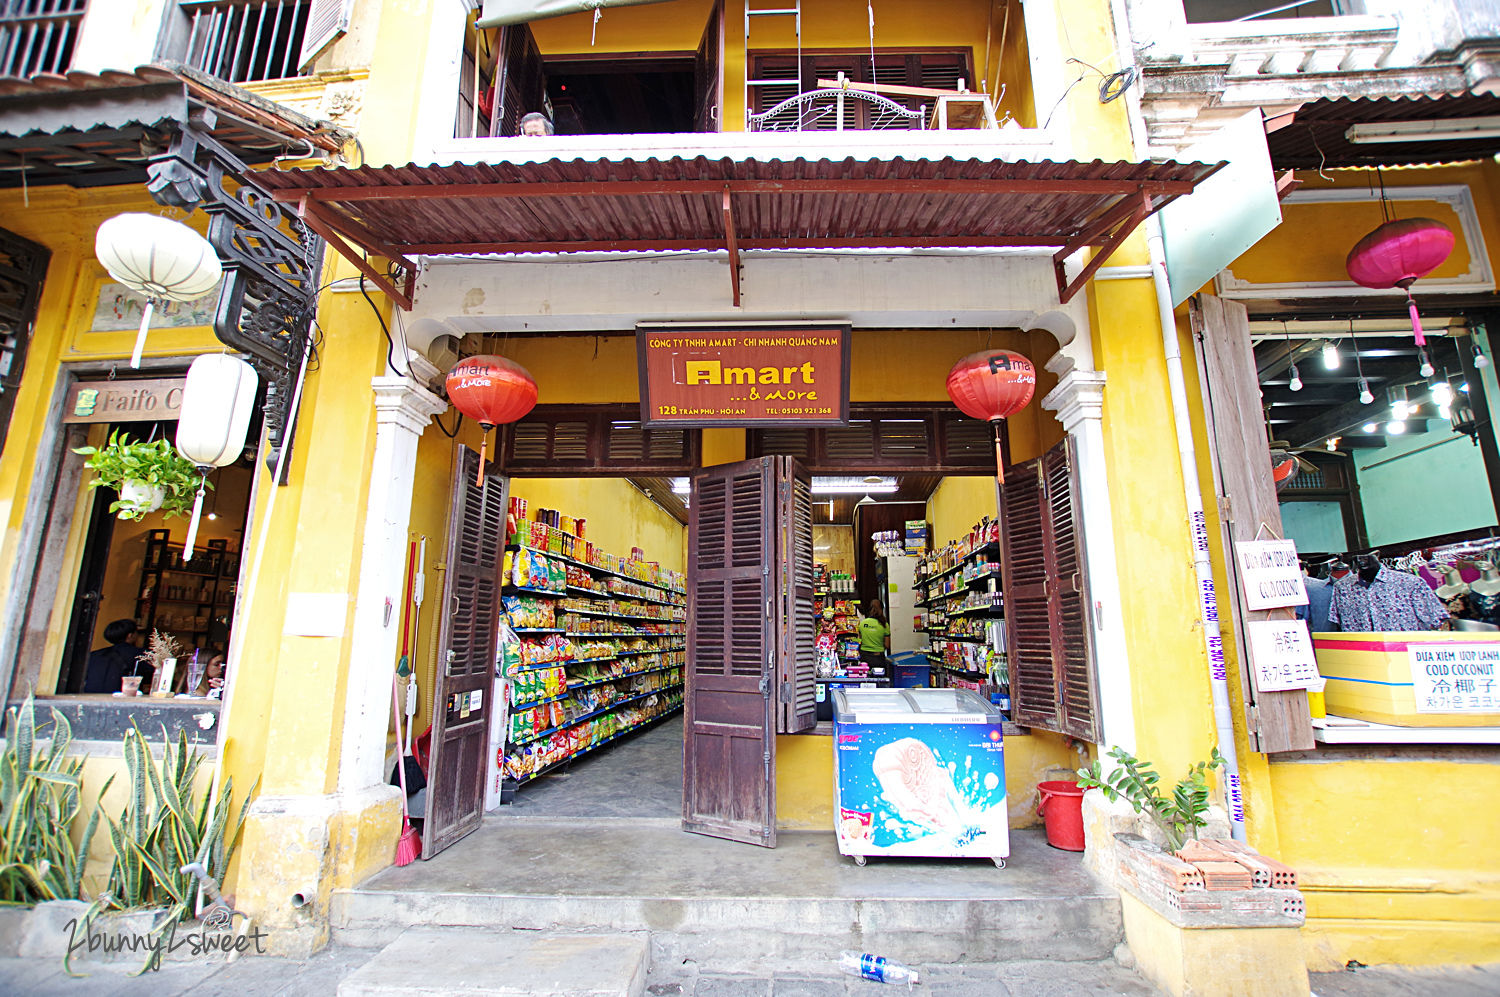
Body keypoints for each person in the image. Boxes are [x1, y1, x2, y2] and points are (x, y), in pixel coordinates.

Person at [82, 619, 147, 693]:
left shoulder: (94, 655)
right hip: (120, 699)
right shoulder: (141, 654)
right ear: (130, 635)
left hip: (90, 698)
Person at [857, 599, 891, 676]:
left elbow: (859, 640)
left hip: (864, 658)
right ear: (882, 609)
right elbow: (887, 645)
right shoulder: (884, 625)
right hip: (878, 658)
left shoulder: (862, 623)